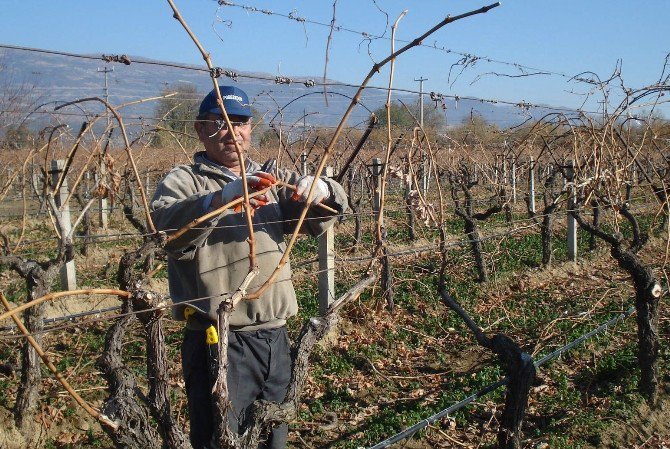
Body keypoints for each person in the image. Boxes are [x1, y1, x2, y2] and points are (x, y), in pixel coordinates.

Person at [150, 85, 348, 449]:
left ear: (250, 128)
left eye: (240, 123)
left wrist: (323, 189)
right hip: (219, 340)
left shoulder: (268, 180)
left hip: (276, 337)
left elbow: (319, 217)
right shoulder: (183, 181)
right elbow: (167, 230)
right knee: (223, 439)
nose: (232, 132)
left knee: (273, 437)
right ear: (199, 128)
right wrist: (223, 197)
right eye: (220, 122)